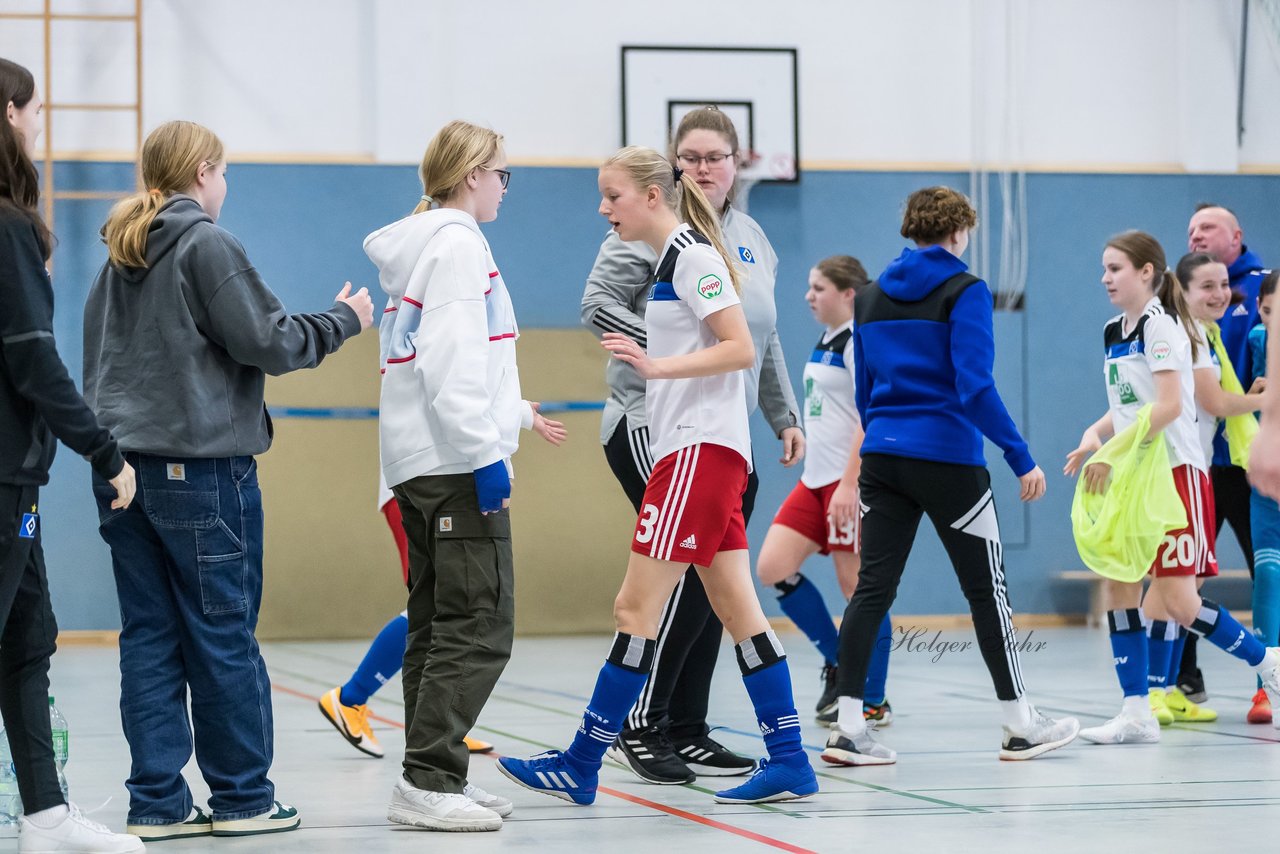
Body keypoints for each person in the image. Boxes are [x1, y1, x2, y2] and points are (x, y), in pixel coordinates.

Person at [499, 145, 818, 806]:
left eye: (612, 195)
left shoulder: (695, 258)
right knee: (740, 613)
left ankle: (583, 760)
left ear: (650, 196)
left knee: (633, 608)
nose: (602, 207)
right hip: (705, 453)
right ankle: (789, 757)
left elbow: (741, 347)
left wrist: (654, 366)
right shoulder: (674, 262)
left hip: (698, 455)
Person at [83, 120, 374, 841]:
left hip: (122, 474)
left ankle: (157, 803)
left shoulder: (119, 253)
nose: (225, 185)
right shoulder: (206, 245)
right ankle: (243, 797)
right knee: (222, 637)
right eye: (224, 172)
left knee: (149, 638)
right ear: (205, 171)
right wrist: (345, 319)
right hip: (200, 477)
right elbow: (269, 340)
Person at [580, 106, 801, 785]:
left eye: (715, 156)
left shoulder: (732, 243)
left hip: (710, 439)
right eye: (691, 157)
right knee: (697, 591)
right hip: (659, 425)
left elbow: (749, 340)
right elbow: (597, 304)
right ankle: (644, 730)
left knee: (697, 595)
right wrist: (662, 354)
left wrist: (783, 413)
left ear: (738, 163)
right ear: (672, 171)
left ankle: (663, 730)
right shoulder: (652, 239)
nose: (703, 168)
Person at [823, 186, 1076, 767]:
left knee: (871, 589)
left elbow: (864, 392)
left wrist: (887, 437)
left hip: (882, 458)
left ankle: (847, 728)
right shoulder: (966, 289)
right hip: (948, 461)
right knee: (987, 592)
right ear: (961, 232)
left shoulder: (868, 296)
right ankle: (1018, 724)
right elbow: (976, 386)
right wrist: (1020, 456)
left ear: (910, 229)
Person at [367, 120, 556, 832]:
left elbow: (452, 361)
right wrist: (484, 454)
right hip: (451, 462)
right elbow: (449, 363)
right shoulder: (456, 246)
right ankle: (428, 780)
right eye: (503, 174)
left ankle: (433, 774)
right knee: (480, 624)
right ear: (473, 173)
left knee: (438, 625)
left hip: (420, 461)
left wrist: (510, 413)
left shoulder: (427, 247)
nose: (506, 187)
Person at [0, 56, 144, 854]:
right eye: (35, 111)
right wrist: (103, 451)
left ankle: (46, 816)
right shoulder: (9, 227)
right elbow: (33, 359)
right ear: (11, 114)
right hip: (4, 474)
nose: (38, 124)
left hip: (14, 477)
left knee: (28, 638)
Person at [1064, 231, 1280, 744]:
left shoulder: (1164, 329)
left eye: (1115, 268)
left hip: (1174, 474)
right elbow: (1129, 406)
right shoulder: (1114, 329)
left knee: (1181, 603)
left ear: (1147, 272)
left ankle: (1269, 662)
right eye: (1104, 268)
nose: (1105, 278)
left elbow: (1167, 408)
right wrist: (1096, 435)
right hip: (1132, 472)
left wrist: (1111, 454)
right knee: (1120, 583)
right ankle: (1136, 710)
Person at [318, 456, 562, 759]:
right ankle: (352, 698)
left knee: (441, 604)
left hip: (436, 474)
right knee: (437, 604)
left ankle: (440, 727)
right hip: (427, 475)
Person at [753, 255, 894, 726]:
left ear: (848, 293)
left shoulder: (861, 341)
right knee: (773, 567)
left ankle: (873, 697)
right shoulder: (828, 338)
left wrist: (850, 485)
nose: (809, 296)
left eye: (818, 288)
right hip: (816, 479)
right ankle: (841, 663)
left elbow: (871, 418)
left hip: (849, 483)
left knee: (858, 587)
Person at [1150, 252, 1264, 726]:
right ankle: (1266, 664)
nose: (1219, 294)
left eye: (1223, 285)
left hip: (1189, 470)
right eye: (1207, 287)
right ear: (1184, 290)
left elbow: (1215, 404)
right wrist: (1266, 398)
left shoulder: (1203, 335)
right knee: (1175, 591)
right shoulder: (1189, 337)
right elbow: (1215, 401)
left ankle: (1163, 688)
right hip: (1181, 472)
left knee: (1179, 587)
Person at [1181, 204, 1268, 701]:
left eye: (1207, 227)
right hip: (1197, 460)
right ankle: (1182, 676)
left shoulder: (1263, 289)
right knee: (1183, 571)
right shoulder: (1182, 307)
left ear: (1236, 235)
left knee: (1267, 567)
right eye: (1191, 230)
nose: (1196, 235)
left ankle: (1268, 675)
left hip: (1249, 459)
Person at [1247, 271, 1279, 723]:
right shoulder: (1258, 340)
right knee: (1269, 577)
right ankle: (1265, 688)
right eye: (1271, 311)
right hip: (1267, 479)